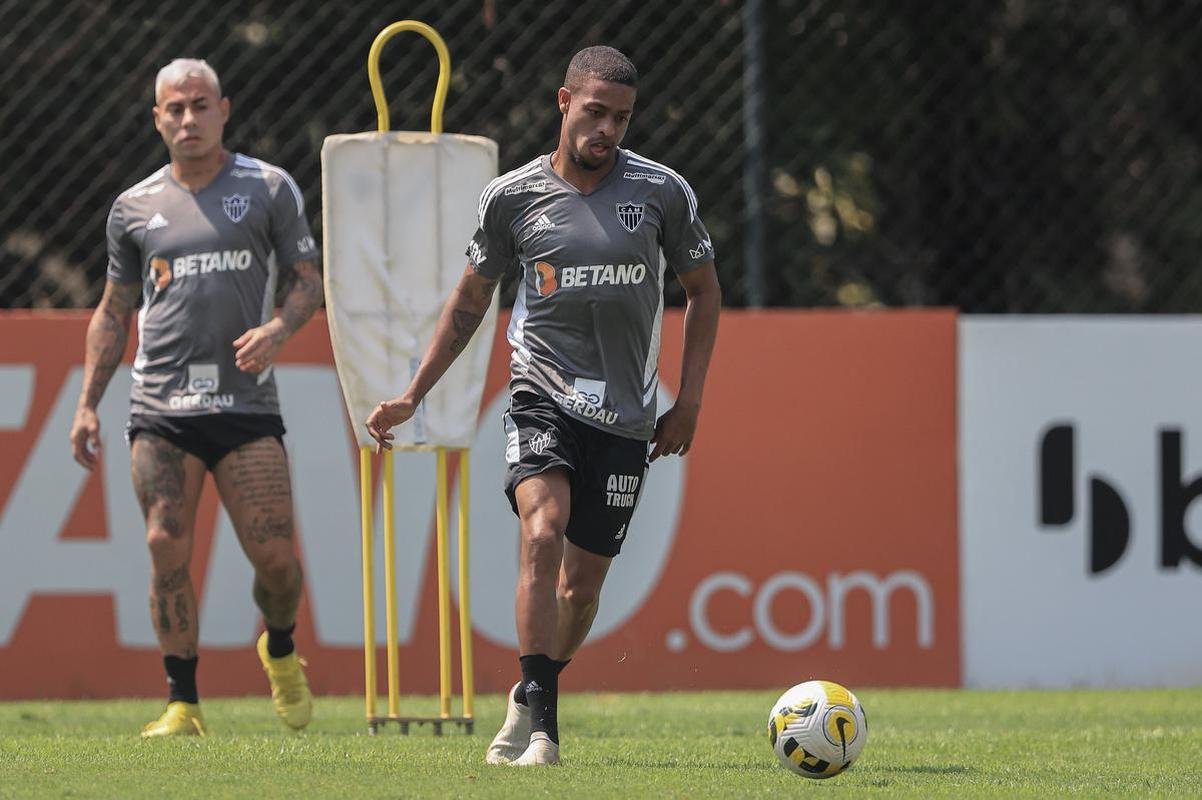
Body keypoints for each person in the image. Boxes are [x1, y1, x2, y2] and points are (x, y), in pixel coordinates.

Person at [366, 45, 721, 766]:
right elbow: (470, 303)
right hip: (541, 393)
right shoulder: (511, 197)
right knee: (541, 531)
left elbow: (704, 291)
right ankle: (543, 732)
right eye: (595, 112)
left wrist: (687, 401)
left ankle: (531, 690)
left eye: (620, 117)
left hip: (625, 414)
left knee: (581, 588)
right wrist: (412, 393)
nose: (607, 129)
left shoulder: (662, 193)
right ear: (564, 102)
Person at [69, 58, 324, 738]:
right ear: (157, 118)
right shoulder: (133, 207)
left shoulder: (268, 186)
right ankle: (183, 702)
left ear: (224, 110)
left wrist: (276, 329)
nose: (188, 118)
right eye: (174, 108)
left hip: (244, 407)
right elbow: (113, 309)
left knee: (276, 562)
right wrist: (88, 401)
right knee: (164, 542)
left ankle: (279, 644)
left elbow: (307, 281)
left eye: (200, 105)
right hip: (160, 406)